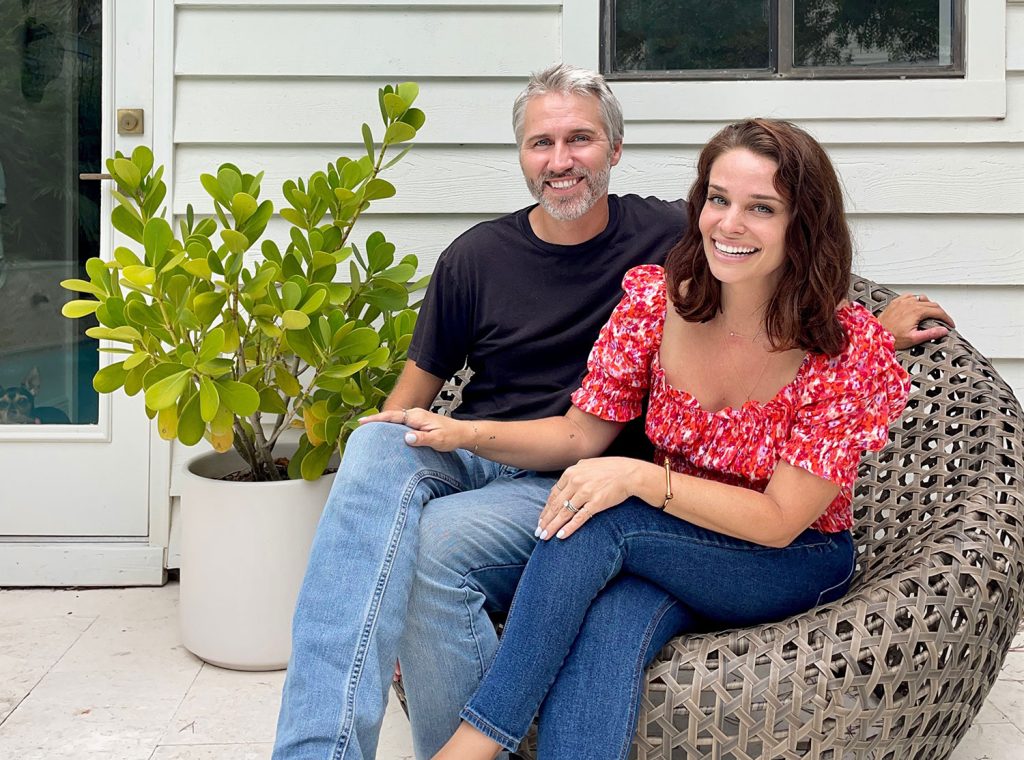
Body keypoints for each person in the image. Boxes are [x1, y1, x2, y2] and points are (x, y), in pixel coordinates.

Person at [272, 65, 950, 760]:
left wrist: (874, 325)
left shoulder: (797, 321)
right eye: (718, 200)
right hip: (630, 511)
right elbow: (574, 428)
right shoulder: (650, 295)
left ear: (614, 149)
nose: (730, 223)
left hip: (767, 547)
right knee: (594, 628)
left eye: (761, 207)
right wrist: (458, 432)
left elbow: (780, 499)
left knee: (593, 520)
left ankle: (468, 748)